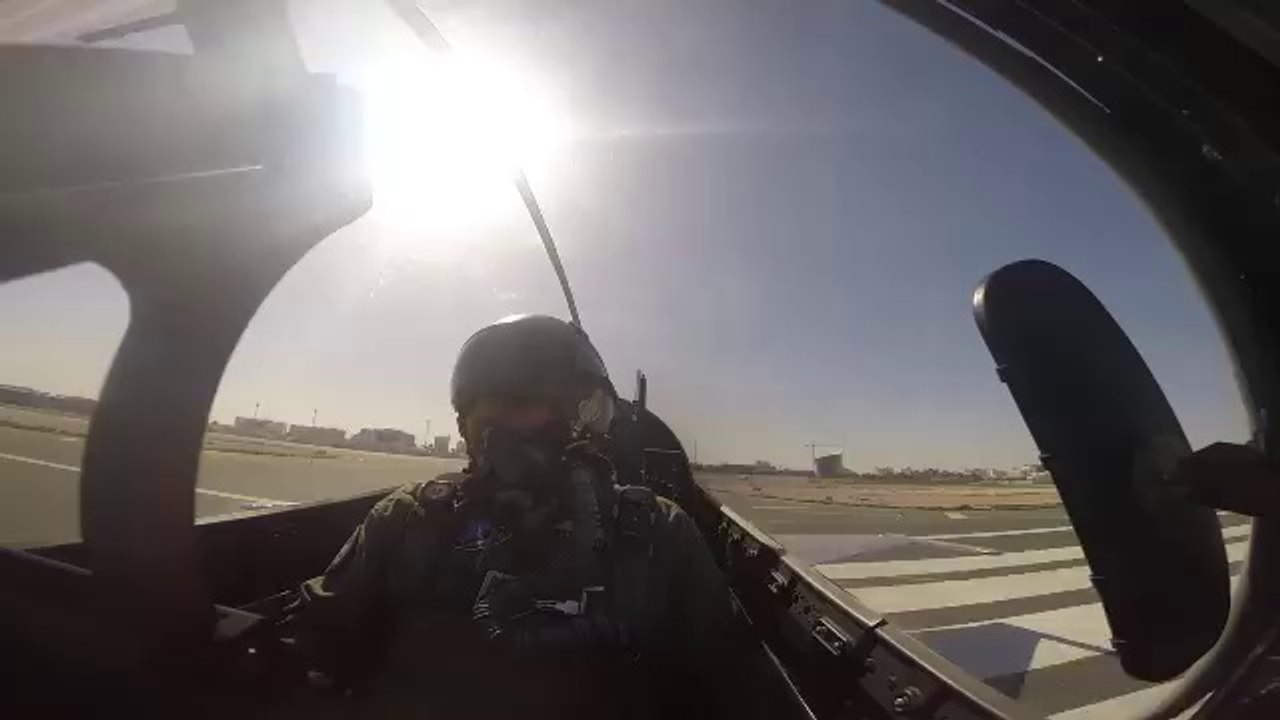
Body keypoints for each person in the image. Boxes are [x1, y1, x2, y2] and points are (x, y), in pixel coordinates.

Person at [285, 314, 798, 720]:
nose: (505, 440)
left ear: (580, 423)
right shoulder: (409, 519)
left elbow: (733, 681)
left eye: (525, 409)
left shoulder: (656, 534)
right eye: (490, 418)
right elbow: (320, 646)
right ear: (467, 429)